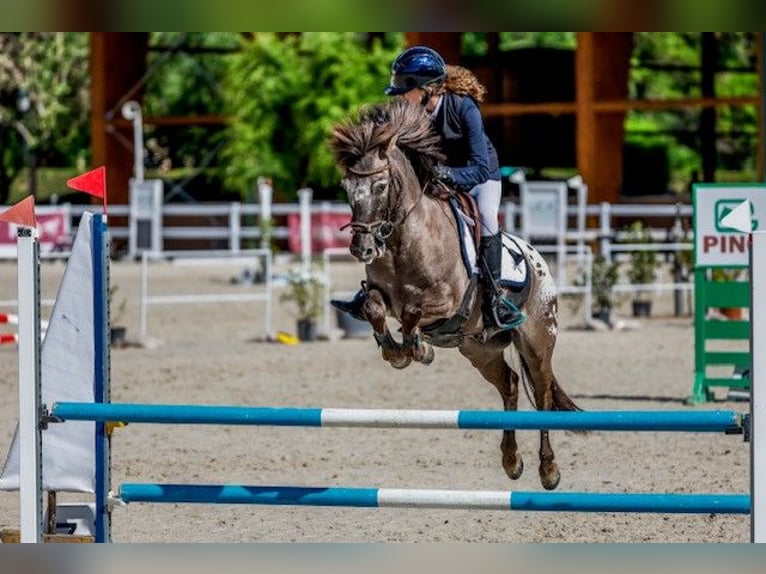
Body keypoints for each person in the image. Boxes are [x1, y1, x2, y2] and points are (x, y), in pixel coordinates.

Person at [332, 45, 525, 331]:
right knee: (396, 215)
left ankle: (495, 298)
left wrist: (445, 174)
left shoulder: (463, 108)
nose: (399, 98)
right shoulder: (406, 111)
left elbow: (480, 167)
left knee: (486, 218)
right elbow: (376, 131)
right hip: (435, 181)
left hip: (479, 177)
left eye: (404, 92)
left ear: (429, 89)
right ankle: (371, 289)